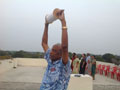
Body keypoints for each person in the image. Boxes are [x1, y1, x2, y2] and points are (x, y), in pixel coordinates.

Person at [40, 10, 71, 90]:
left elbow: (64, 47)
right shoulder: (50, 58)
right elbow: (44, 43)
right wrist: (46, 24)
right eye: (52, 50)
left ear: (60, 54)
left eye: (54, 51)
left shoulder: (64, 64)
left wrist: (63, 21)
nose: (51, 52)